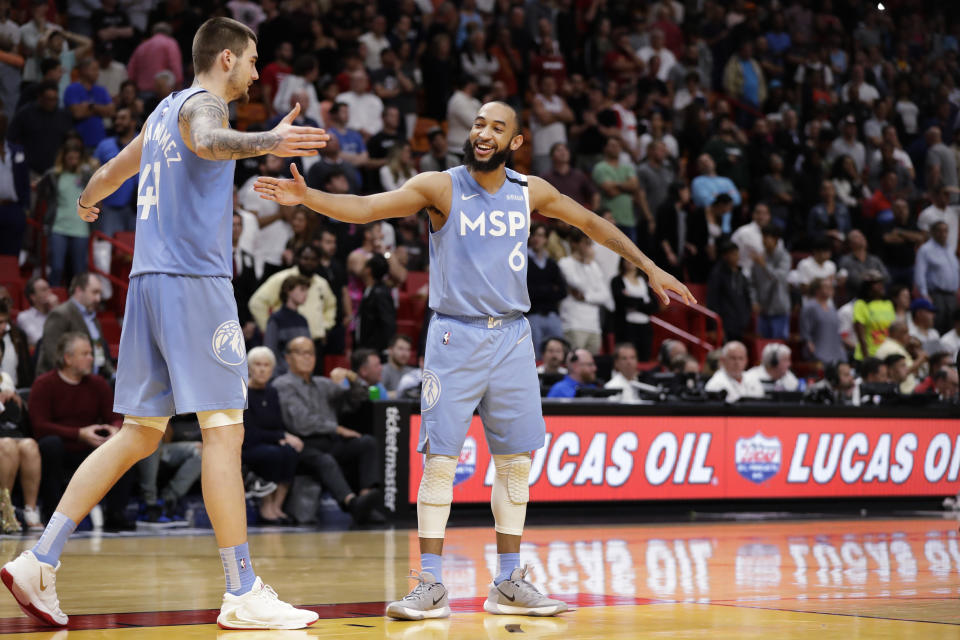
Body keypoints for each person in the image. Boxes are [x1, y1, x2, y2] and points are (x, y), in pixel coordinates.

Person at [253, 99, 693, 620]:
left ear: (515, 142)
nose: (483, 133)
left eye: (496, 127)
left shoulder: (531, 192)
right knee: (440, 461)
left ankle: (508, 580)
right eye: (479, 123)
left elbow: (594, 224)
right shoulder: (442, 185)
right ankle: (431, 584)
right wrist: (308, 198)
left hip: (512, 338)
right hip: (454, 338)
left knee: (515, 466)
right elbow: (368, 207)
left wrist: (648, 267)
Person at [3, 18, 323, 630]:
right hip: (194, 285)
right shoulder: (203, 105)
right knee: (224, 431)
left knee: (140, 434)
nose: (258, 73)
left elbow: (109, 175)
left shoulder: (159, 112)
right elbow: (208, 141)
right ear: (225, 58)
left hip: (147, 286)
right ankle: (241, 590)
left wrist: (89, 198)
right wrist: (269, 142)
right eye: (253, 61)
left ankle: (39, 560)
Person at [272, 336, 384, 524]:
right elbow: (301, 423)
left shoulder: (323, 384)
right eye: (301, 353)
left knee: (366, 443)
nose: (307, 358)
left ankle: (364, 501)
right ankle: (351, 503)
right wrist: (337, 428)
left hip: (329, 442)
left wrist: (352, 377)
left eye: (310, 353)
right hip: (301, 445)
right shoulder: (282, 385)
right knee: (325, 460)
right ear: (288, 358)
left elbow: (356, 400)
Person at [241, 346, 300, 524]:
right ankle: (266, 506)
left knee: (290, 451)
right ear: (249, 368)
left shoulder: (272, 392)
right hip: (248, 446)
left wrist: (283, 437)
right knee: (272, 454)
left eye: (266, 365)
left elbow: (277, 424)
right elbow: (250, 432)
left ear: (272, 369)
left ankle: (277, 506)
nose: (262, 369)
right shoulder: (243, 393)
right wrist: (280, 435)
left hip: (267, 442)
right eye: (257, 364)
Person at [37, 273, 113, 378]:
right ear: (79, 291)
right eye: (94, 292)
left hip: (90, 382)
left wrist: (113, 375)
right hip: (63, 385)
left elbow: (99, 354)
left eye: (100, 294)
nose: (98, 299)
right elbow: (53, 355)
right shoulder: (60, 314)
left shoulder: (94, 319)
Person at [558, 230, 614, 353]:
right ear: (574, 244)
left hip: (594, 325)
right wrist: (586, 265)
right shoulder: (565, 263)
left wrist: (586, 297)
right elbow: (577, 284)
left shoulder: (593, 265)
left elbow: (605, 295)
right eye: (586, 243)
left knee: (590, 367)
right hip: (573, 323)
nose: (589, 247)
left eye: (590, 243)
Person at [526, 222, 566, 360]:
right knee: (535, 357)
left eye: (541, 235)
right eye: (534, 235)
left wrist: (539, 290)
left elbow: (562, 291)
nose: (537, 239)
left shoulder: (552, 263)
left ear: (546, 239)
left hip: (552, 315)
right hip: (532, 316)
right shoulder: (522, 261)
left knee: (559, 355)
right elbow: (526, 292)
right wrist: (549, 289)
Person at [914, 220, 959, 334]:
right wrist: (924, 294)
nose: (943, 234)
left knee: (951, 326)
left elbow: (955, 271)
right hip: (936, 294)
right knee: (938, 324)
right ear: (933, 232)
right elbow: (920, 273)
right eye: (940, 231)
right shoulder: (925, 250)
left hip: (951, 295)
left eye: (945, 231)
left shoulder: (949, 249)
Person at [611, 258, 657, 361]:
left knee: (644, 358)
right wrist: (643, 302)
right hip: (626, 327)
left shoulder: (644, 281)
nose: (629, 262)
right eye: (626, 260)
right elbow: (621, 301)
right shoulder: (617, 280)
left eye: (632, 260)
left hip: (645, 327)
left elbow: (654, 306)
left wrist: (633, 301)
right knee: (626, 357)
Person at [749, 225, 791, 340]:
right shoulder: (759, 257)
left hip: (779, 309)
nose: (763, 240)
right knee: (763, 346)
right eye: (763, 236)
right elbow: (752, 283)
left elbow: (780, 277)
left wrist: (764, 266)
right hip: (763, 309)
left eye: (767, 237)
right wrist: (754, 301)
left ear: (776, 239)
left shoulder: (784, 257)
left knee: (779, 346)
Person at [707, 241, 752, 343]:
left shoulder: (741, 275)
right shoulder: (717, 275)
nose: (737, 257)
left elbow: (747, 298)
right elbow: (712, 302)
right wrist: (716, 326)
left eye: (737, 253)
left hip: (740, 324)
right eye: (733, 254)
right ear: (725, 256)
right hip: (725, 325)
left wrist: (746, 318)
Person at [263, 274, 311, 371]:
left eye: (306, 290)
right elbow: (269, 352)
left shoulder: (303, 320)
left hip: (303, 375)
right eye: (302, 289)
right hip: (281, 377)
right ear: (288, 290)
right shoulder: (276, 319)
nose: (306, 294)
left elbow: (308, 351)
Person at [799, 278, 847, 364]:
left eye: (831, 286)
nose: (830, 289)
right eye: (826, 286)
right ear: (817, 290)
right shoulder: (810, 307)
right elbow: (805, 330)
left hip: (835, 350)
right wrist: (809, 345)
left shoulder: (832, 308)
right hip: (818, 351)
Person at [852, 270, 895, 361]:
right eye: (877, 283)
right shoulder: (861, 304)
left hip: (887, 353)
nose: (881, 286)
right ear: (868, 287)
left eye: (881, 283)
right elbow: (861, 337)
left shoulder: (888, 304)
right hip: (870, 355)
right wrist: (867, 360)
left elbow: (892, 330)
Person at [16, 277, 57, 348]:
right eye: (44, 290)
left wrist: (57, 310)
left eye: (49, 288)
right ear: (33, 297)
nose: (49, 292)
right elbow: (38, 340)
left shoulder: (55, 312)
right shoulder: (24, 317)